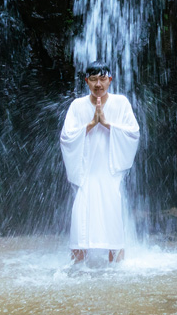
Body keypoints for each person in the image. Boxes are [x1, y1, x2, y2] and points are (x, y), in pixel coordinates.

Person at [60, 62, 140, 263]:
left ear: (110, 80)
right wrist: (91, 124)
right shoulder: (77, 106)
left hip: (110, 174)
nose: (98, 84)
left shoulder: (121, 103)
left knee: (113, 221)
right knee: (80, 223)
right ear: (86, 81)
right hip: (87, 175)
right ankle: (77, 270)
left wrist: (106, 124)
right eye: (93, 79)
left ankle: (117, 272)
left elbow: (133, 133)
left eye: (102, 79)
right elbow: (66, 138)